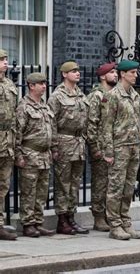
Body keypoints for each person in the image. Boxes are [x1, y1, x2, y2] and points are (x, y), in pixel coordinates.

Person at [102, 60, 140, 240]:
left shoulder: (135, 95)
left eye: (136, 72)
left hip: (133, 146)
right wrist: (108, 152)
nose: (135, 75)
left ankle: (126, 221)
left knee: (128, 188)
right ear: (123, 74)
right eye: (132, 72)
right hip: (119, 147)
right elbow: (106, 125)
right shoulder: (112, 95)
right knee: (115, 188)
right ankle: (115, 225)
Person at [48, 61, 89, 235]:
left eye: (78, 71)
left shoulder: (80, 94)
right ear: (64, 74)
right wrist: (54, 147)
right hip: (64, 142)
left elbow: (86, 120)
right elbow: (51, 122)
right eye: (73, 71)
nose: (77, 73)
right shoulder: (57, 96)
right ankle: (62, 219)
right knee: (62, 183)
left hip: (78, 143)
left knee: (75, 183)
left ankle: (71, 217)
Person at [15, 73, 55, 237]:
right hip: (30, 154)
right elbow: (17, 133)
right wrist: (18, 155)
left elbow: (51, 129)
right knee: (28, 192)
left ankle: (38, 222)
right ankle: (28, 224)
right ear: (31, 86)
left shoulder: (45, 106)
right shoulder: (24, 107)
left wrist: (53, 149)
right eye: (40, 84)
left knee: (41, 192)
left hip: (44, 155)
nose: (44, 86)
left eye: (45, 83)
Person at [86, 62, 117, 232]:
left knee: (111, 183)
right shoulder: (96, 96)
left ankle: (108, 214)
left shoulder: (114, 94)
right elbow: (92, 123)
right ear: (103, 76)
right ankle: (98, 216)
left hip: (112, 145)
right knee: (100, 183)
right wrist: (95, 148)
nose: (116, 75)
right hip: (101, 145)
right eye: (112, 72)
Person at [0, 49, 18, 241]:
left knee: (3, 185)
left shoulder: (9, 84)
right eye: (2, 60)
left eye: (6, 59)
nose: (5, 62)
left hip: (7, 139)